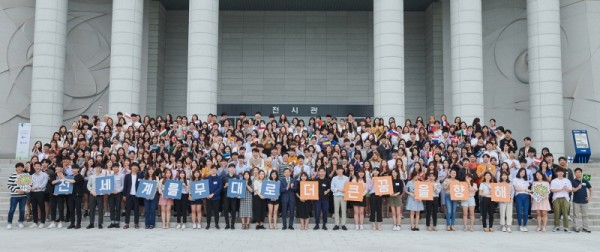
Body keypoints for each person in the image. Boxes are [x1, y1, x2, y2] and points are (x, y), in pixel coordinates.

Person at [6, 163, 29, 229]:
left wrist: (24, 190)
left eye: (21, 167)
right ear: (16, 168)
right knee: (12, 209)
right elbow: (9, 185)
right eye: (18, 167)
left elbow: (28, 185)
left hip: (23, 196)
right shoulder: (12, 175)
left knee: (22, 210)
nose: (19, 168)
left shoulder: (25, 175)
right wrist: (16, 190)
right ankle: (9, 223)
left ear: (23, 168)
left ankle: (21, 222)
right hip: (14, 196)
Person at [550, 168, 572, 233]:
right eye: (558, 172)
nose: (560, 173)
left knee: (565, 213)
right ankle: (556, 226)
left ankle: (566, 227)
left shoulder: (567, 180)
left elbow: (570, 189)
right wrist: (561, 189)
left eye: (561, 172)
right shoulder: (554, 181)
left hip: (565, 198)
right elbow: (552, 190)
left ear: (563, 173)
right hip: (556, 198)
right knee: (557, 212)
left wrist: (567, 189)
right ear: (556, 173)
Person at [572, 167, 593, 233]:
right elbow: (573, 190)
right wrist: (578, 187)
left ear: (581, 173)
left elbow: (590, 189)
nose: (578, 173)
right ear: (575, 173)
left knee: (585, 215)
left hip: (584, 201)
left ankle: (585, 227)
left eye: (579, 172)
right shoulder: (573, 181)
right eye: (576, 172)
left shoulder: (585, 180)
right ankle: (576, 227)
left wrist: (590, 197)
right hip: (576, 201)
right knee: (576, 215)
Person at [29, 162, 48, 228]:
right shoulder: (32, 176)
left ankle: (42, 222)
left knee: (42, 207)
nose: (37, 167)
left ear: (41, 167)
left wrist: (36, 187)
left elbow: (44, 184)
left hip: (41, 192)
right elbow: (29, 184)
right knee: (34, 208)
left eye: (38, 166)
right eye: (36, 166)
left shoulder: (45, 175)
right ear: (34, 167)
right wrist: (26, 187)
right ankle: (35, 222)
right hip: (33, 193)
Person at [86, 164, 105, 229]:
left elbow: (105, 186)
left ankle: (100, 223)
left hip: (100, 195)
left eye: (99, 168)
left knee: (100, 210)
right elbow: (88, 185)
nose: (97, 169)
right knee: (91, 210)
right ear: (94, 169)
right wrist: (91, 191)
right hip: (93, 194)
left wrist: (103, 192)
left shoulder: (103, 176)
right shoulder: (91, 176)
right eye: (96, 168)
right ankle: (91, 223)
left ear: (101, 169)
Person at [123, 164, 141, 229]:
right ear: (131, 168)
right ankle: (126, 223)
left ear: (137, 168)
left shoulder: (140, 176)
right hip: (129, 195)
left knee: (136, 210)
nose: (135, 168)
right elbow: (125, 186)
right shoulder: (127, 176)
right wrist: (124, 195)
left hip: (136, 195)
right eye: (133, 167)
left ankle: (136, 223)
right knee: (127, 210)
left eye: (136, 167)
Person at [331, 166, 349, 230]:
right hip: (336, 195)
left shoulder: (346, 178)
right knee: (336, 210)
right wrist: (339, 189)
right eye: (338, 170)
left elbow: (348, 187)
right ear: (337, 171)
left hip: (344, 196)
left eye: (341, 169)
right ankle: (337, 224)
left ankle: (343, 224)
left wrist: (344, 190)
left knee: (343, 210)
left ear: (343, 170)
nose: (340, 171)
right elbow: (332, 188)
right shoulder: (334, 178)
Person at [513, 168, 531, 232]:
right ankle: (520, 225)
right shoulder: (515, 179)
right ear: (519, 172)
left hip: (526, 196)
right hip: (519, 196)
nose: (522, 173)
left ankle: (525, 225)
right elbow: (516, 189)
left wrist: (531, 193)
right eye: (521, 172)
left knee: (526, 212)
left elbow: (527, 190)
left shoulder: (526, 180)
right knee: (519, 211)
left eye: (524, 172)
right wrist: (525, 190)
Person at [222, 163, 239, 230]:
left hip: (234, 196)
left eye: (233, 168)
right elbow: (222, 188)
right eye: (230, 167)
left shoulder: (237, 177)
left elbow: (238, 186)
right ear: (228, 169)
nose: (232, 169)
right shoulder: (224, 177)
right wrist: (225, 186)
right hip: (226, 195)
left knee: (233, 209)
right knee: (226, 209)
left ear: (234, 169)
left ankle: (232, 224)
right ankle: (227, 224)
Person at [67, 164, 84, 229]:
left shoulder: (80, 176)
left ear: (78, 169)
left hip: (78, 195)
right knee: (71, 210)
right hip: (70, 195)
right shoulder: (70, 176)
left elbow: (73, 181)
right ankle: (72, 223)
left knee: (78, 210)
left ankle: (78, 224)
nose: (74, 170)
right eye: (73, 168)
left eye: (75, 169)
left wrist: (64, 178)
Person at [108, 164, 124, 228]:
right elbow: (107, 185)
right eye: (114, 167)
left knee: (118, 208)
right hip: (111, 194)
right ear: (112, 168)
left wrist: (118, 191)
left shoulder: (122, 176)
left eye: (116, 167)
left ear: (119, 168)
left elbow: (123, 185)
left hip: (118, 193)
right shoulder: (109, 175)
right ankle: (112, 222)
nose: (115, 169)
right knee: (111, 208)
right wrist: (108, 191)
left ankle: (117, 222)